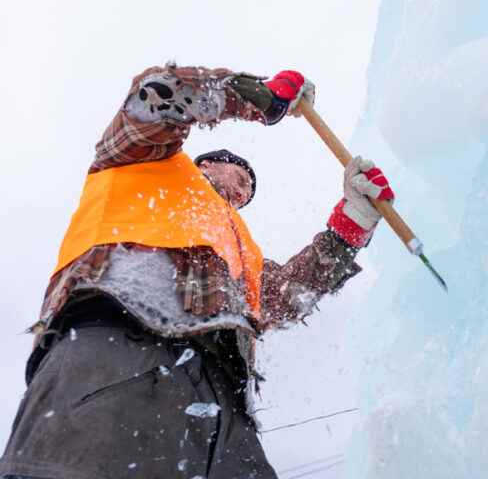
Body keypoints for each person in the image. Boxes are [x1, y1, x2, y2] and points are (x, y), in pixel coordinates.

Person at [0, 63, 395, 479]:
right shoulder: (142, 161)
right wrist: (259, 96)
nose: (242, 189)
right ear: (204, 165)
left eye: (248, 189)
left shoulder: (240, 247)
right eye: (237, 175)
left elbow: (289, 292)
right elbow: (157, 94)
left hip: (225, 406)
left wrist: (350, 225)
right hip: (117, 348)